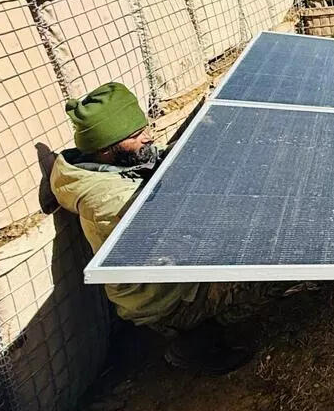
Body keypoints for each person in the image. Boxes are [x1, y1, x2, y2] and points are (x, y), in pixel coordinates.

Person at [49, 82, 302, 374]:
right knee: (283, 261)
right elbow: (197, 234)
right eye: (136, 136)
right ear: (106, 149)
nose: (148, 137)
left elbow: (163, 162)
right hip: (165, 297)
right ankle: (195, 341)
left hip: (170, 272)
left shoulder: (112, 163)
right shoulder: (112, 202)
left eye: (144, 128)